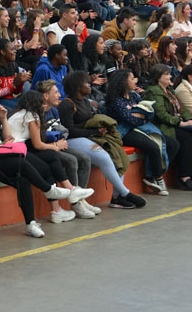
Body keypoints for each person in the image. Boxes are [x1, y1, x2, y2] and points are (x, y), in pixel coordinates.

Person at [0, 85, 71, 238]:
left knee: (23, 178)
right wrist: (0, 146)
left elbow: (8, 138)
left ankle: (30, 223)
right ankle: (48, 189)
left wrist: (3, 119)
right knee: (19, 163)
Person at [58, 71, 147, 209]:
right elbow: (69, 131)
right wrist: (94, 131)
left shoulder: (86, 103)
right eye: (86, 83)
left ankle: (117, 197)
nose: (90, 86)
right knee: (104, 157)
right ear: (77, 86)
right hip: (73, 139)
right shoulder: (67, 104)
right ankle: (125, 193)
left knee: (117, 155)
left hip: (89, 136)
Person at [7, 91, 94, 223]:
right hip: (16, 153)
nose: (44, 106)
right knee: (51, 158)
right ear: (34, 104)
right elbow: (38, 144)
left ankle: (60, 206)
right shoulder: (32, 115)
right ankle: (68, 195)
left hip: (18, 149)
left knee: (50, 159)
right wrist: (55, 146)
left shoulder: (19, 113)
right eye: (41, 103)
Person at [105, 69, 178, 196]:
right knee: (153, 147)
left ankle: (152, 175)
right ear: (123, 82)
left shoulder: (134, 95)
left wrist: (140, 115)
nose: (136, 81)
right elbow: (130, 121)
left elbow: (150, 112)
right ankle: (157, 178)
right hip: (125, 131)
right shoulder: (116, 101)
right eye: (132, 78)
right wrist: (140, 116)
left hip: (142, 127)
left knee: (173, 145)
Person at [143, 63, 192, 191]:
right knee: (186, 138)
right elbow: (161, 115)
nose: (170, 76)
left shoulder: (169, 90)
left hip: (175, 122)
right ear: (158, 77)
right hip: (163, 126)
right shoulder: (153, 91)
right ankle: (183, 176)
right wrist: (180, 123)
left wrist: (189, 119)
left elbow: (181, 109)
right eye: (166, 74)